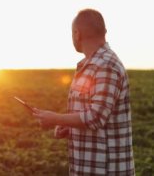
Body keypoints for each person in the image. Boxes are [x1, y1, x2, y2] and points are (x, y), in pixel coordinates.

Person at [32, 9, 135, 175]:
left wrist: (55, 118)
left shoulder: (106, 65)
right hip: (88, 168)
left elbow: (96, 117)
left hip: (106, 170)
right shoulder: (89, 65)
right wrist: (68, 125)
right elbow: (88, 115)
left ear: (77, 34)